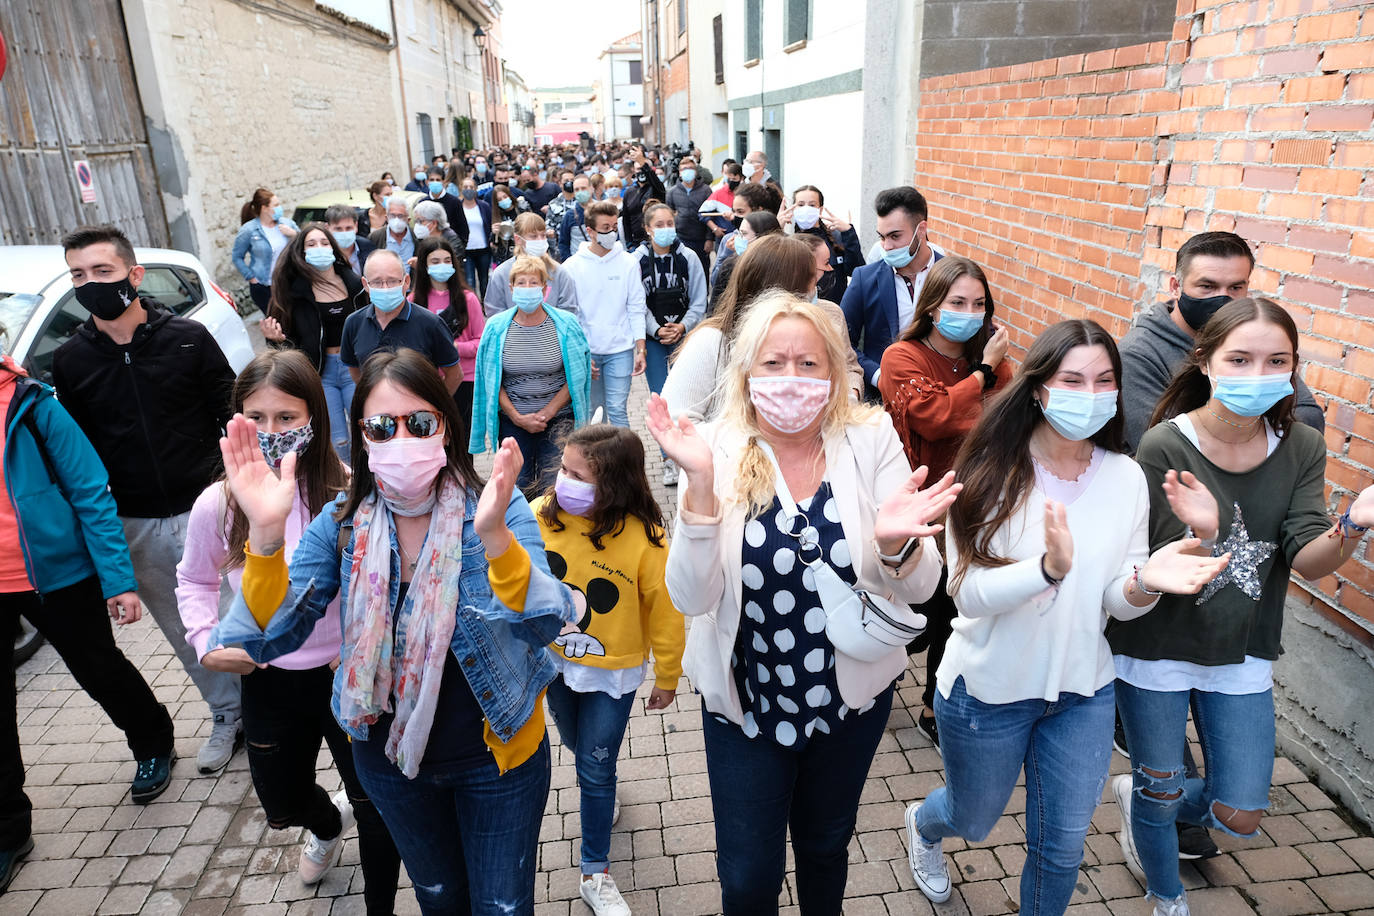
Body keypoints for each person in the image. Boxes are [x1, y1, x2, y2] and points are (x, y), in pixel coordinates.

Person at [218, 348, 578, 916]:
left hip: (498, 762)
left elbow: (543, 623)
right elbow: (267, 637)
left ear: (446, 429)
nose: (402, 439)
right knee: (438, 900)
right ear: (362, 437)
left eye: (421, 423)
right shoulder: (341, 522)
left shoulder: (497, 510)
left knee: (503, 906)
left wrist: (495, 541)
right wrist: (263, 538)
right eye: (383, 426)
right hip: (390, 768)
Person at [905, 319, 1229, 912]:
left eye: (1104, 380)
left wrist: (1145, 582)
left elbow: (1116, 600)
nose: (1091, 393)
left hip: (1083, 690)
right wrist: (1046, 570)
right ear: (1037, 388)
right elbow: (967, 593)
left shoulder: (1126, 476)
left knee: (1060, 848)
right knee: (971, 818)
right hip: (988, 690)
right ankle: (924, 827)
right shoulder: (988, 471)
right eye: (1072, 379)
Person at [651, 292, 954, 915]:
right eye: (773, 362)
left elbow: (924, 592)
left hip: (848, 704)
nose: (792, 379)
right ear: (745, 374)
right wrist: (701, 489)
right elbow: (691, 596)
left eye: (809, 364)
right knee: (747, 877)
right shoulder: (713, 448)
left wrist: (897, 548)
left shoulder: (869, 440)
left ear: (837, 373)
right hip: (746, 706)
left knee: (824, 849)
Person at [1108, 298, 1374, 916]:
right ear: (1206, 362)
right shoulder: (1162, 444)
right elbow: (1149, 563)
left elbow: (1306, 557)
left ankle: (1144, 798)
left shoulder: (1302, 445)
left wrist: (1353, 525)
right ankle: (1166, 893)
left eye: (1276, 361)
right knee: (1161, 788)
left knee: (1241, 811)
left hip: (1242, 650)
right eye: (1240, 359)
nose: (1258, 374)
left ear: (1293, 368)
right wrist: (1199, 536)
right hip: (1157, 648)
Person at [174, 351, 402, 911]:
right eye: (257, 418)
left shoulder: (350, 493)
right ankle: (324, 826)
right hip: (269, 679)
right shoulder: (220, 504)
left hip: (348, 679)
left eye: (286, 417)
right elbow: (194, 580)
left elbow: (386, 579)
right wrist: (206, 642)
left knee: (376, 803)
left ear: (316, 418)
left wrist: (358, 644)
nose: (271, 431)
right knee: (283, 800)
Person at [52, 225, 243, 774]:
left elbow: (230, 419)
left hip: (211, 507)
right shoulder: (70, 361)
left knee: (241, 614)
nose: (89, 284)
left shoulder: (188, 338)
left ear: (134, 275)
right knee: (189, 630)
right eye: (78, 275)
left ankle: (271, 717)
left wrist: (239, 493)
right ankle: (226, 715)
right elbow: (79, 454)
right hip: (136, 519)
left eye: (102, 272)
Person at [0, 354, 176, 890]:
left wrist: (118, 579)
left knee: (96, 666)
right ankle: (9, 830)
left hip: (54, 572)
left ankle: (153, 740)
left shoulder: (31, 404)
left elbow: (89, 490)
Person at [537, 425, 684, 916]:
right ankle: (601, 780)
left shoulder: (647, 537)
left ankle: (594, 871)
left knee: (594, 768)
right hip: (555, 663)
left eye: (580, 476)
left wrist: (668, 674)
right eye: (565, 469)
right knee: (579, 745)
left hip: (612, 672)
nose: (565, 482)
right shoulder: (542, 515)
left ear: (615, 484)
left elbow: (666, 611)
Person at [876, 256, 1011, 752]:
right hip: (917, 503)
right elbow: (933, 416)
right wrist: (981, 374)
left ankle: (934, 702)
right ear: (932, 305)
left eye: (979, 304)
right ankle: (876, 675)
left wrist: (983, 376)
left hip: (973, 500)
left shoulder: (990, 361)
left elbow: (1006, 417)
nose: (969, 312)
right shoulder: (902, 356)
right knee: (913, 608)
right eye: (957, 302)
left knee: (952, 610)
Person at [1119, 230, 1323, 452]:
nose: (1223, 298)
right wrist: (1263, 428)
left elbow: (1310, 418)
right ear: (1176, 287)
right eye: (1207, 287)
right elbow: (1165, 447)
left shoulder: (1257, 338)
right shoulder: (1138, 354)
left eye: (1235, 288)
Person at [664, 235, 863, 425]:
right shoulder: (712, 342)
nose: (815, 289)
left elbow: (846, 373)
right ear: (780, 289)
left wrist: (847, 401)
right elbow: (678, 421)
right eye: (810, 281)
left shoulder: (823, 324)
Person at [470, 256, 592, 496]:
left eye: (533, 283)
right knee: (519, 487)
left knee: (554, 486)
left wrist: (548, 412)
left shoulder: (566, 324)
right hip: (513, 422)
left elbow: (578, 376)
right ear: (511, 288)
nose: (527, 288)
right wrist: (517, 417)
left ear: (545, 290)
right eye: (521, 283)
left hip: (559, 420)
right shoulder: (495, 328)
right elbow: (491, 381)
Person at [259, 224, 367, 461]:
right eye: (311, 244)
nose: (319, 248)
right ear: (302, 252)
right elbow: (288, 347)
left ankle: (369, 482)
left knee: (366, 431)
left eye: (324, 242)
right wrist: (276, 340)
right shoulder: (294, 293)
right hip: (320, 373)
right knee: (337, 439)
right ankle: (344, 491)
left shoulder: (355, 284)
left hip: (354, 368)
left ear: (333, 247)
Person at [841, 186, 945, 400]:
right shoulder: (865, 278)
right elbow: (840, 342)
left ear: (921, 229)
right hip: (884, 398)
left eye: (895, 236)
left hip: (943, 393)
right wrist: (878, 376)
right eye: (882, 237)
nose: (886, 246)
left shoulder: (954, 274)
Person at [634, 201, 708, 486]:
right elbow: (636, 302)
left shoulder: (688, 257)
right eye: (659, 225)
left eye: (669, 224)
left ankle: (689, 454)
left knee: (688, 396)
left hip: (684, 336)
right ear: (647, 229)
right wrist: (655, 329)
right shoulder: (637, 260)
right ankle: (668, 459)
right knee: (661, 397)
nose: (666, 230)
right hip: (654, 339)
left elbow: (700, 299)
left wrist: (683, 326)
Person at [561, 202, 646, 429]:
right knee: (593, 413)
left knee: (617, 410)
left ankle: (623, 464)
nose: (611, 232)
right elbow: (570, 315)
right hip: (588, 351)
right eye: (605, 227)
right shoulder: (572, 267)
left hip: (620, 350)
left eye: (614, 226)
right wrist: (581, 352)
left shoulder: (628, 263)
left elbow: (636, 307)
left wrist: (640, 348)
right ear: (590, 231)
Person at [340, 251, 462, 394]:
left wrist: (435, 407)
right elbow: (355, 370)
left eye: (392, 281)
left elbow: (454, 375)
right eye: (377, 282)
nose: (385, 288)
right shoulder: (354, 323)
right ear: (365, 284)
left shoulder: (430, 324)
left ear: (406, 282)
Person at [411, 236, 484, 418]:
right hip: (428, 380)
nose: (441, 265)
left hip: (465, 379)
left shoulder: (468, 299)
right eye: (435, 261)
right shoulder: (413, 301)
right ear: (425, 266)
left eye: (447, 260)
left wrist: (455, 348)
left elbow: (481, 342)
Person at [486, 214, 580, 318]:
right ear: (518, 239)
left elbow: (568, 311)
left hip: (552, 333)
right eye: (533, 236)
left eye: (543, 235)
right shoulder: (501, 273)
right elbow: (495, 312)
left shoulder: (559, 272)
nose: (540, 240)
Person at [784, 185, 865, 303]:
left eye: (812, 205)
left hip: (835, 308)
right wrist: (774, 228)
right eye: (801, 205)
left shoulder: (836, 237)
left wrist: (848, 233)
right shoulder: (788, 242)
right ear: (794, 208)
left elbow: (856, 270)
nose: (806, 209)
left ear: (820, 209)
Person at [233, 187, 300, 311]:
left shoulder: (287, 224)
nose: (280, 207)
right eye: (276, 205)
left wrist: (294, 234)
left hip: (289, 283)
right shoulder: (249, 230)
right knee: (276, 324)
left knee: (294, 321)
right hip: (264, 287)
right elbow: (237, 257)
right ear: (265, 208)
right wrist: (251, 277)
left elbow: (305, 244)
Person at [711, 181, 784, 288]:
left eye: (740, 212)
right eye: (734, 211)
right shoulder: (729, 240)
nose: (735, 217)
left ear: (759, 211)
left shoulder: (776, 242)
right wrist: (726, 256)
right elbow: (715, 283)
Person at [710, 211, 782, 309]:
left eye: (743, 234)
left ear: (762, 237)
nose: (738, 238)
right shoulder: (730, 265)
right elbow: (716, 300)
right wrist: (724, 256)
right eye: (739, 233)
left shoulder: (783, 266)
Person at [664, 155, 712, 275]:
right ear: (679, 173)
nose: (687, 171)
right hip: (681, 238)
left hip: (701, 239)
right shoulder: (672, 192)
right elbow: (669, 217)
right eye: (684, 169)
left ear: (695, 171)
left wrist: (709, 239)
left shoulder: (706, 190)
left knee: (702, 270)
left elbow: (710, 215)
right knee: (682, 270)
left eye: (690, 168)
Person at [621, 146, 666, 251]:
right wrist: (629, 243)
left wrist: (642, 162)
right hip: (636, 244)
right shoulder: (629, 192)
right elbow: (626, 220)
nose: (640, 171)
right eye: (638, 169)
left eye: (642, 168)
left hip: (655, 241)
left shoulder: (655, 188)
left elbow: (657, 184)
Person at [458, 176, 494, 299]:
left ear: (476, 189)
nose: (468, 189)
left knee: (484, 280)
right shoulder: (458, 207)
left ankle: (485, 305)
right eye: (465, 187)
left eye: (471, 187)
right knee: (469, 281)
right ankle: (473, 306)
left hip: (483, 249)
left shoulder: (484, 206)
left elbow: (489, 224)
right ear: (461, 189)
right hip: (466, 251)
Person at [367, 196, 418, 272]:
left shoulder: (417, 237)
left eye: (400, 216)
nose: (396, 220)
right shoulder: (375, 237)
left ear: (408, 219)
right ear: (386, 218)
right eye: (392, 216)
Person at [326, 203, 376, 278]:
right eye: (338, 229)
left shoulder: (368, 247)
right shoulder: (324, 253)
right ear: (327, 228)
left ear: (356, 226)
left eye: (348, 228)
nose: (344, 233)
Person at [557, 175, 594, 262]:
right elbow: (563, 243)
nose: (580, 192)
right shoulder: (569, 216)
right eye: (577, 189)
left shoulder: (602, 210)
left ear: (591, 188)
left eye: (583, 188)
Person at [490, 185, 526, 266]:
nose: (503, 200)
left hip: (525, 251)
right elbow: (495, 244)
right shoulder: (497, 216)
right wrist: (495, 233)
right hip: (508, 257)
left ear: (509, 195)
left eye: (505, 196)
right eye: (499, 199)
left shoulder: (522, 208)